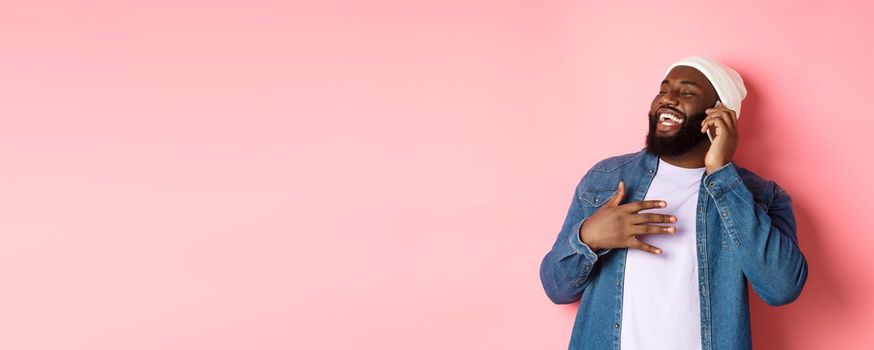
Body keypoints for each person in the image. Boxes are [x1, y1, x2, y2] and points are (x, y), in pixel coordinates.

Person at [539, 56, 808, 350]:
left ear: (720, 113)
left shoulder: (761, 196)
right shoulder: (605, 180)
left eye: (687, 92)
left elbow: (782, 287)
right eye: (663, 89)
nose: (667, 98)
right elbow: (556, 288)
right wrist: (588, 237)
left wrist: (721, 172)